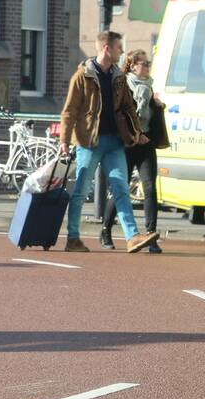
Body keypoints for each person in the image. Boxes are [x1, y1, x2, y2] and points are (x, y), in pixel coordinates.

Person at [58, 31, 160, 254]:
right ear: (107, 49)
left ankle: (132, 237)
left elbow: (128, 108)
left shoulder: (118, 77)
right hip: (89, 142)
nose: (121, 52)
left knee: (122, 189)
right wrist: (64, 141)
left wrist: (137, 132)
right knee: (81, 192)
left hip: (114, 143)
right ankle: (72, 238)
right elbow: (69, 112)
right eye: (118, 48)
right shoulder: (82, 76)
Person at [100, 49, 166, 253]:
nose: (147, 67)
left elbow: (148, 115)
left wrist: (157, 106)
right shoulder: (123, 85)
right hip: (128, 143)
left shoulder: (149, 87)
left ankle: (151, 235)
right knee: (122, 188)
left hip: (146, 143)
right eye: (143, 63)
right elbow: (120, 114)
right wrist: (134, 134)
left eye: (148, 63)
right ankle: (105, 229)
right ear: (132, 66)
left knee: (150, 188)